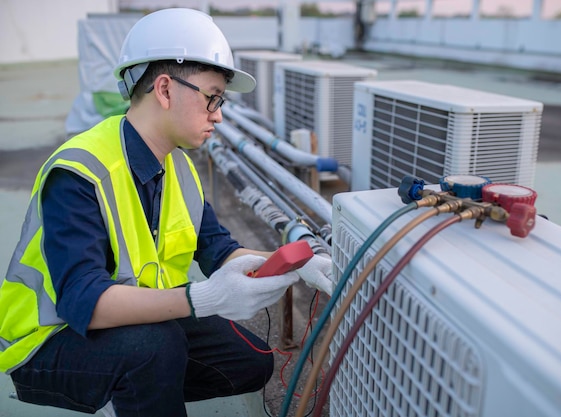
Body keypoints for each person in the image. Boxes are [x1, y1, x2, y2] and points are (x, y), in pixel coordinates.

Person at [0, 8, 333, 417]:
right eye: (212, 96)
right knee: (156, 349)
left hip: (136, 324)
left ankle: (132, 389)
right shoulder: (81, 171)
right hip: (46, 341)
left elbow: (219, 250)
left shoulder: (178, 168)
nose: (220, 113)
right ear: (164, 89)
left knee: (251, 361)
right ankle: (128, 385)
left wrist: (292, 266)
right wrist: (202, 297)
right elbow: (80, 300)